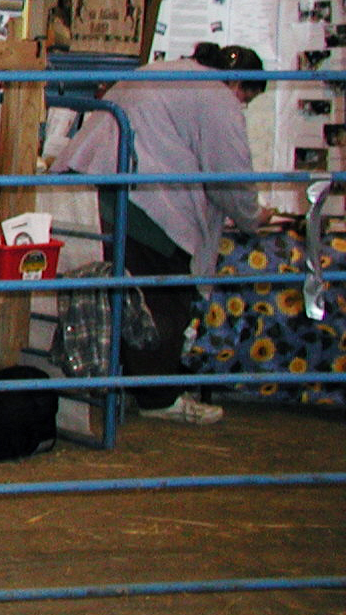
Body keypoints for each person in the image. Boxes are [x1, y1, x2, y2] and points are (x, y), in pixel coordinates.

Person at [50, 42, 284, 424]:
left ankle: (113, 389)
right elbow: (231, 173)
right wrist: (252, 216)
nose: (240, 103)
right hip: (143, 199)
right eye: (245, 96)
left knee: (109, 294)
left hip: (93, 182)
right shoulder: (217, 96)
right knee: (160, 296)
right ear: (239, 80)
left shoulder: (163, 70)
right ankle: (159, 396)